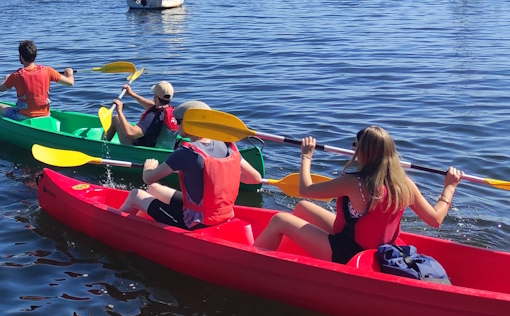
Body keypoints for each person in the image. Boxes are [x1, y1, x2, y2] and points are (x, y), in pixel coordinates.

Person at [253, 125, 463, 263]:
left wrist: (306, 156)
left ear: (363, 152)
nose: (353, 149)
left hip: (349, 253)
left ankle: (252, 260)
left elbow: (305, 189)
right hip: (379, 249)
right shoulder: (405, 184)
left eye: (356, 145)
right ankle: (288, 257)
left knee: (280, 220)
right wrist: (450, 187)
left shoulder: (353, 183)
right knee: (302, 208)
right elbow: (435, 219)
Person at [119, 101, 263, 229]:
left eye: (179, 121)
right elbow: (255, 178)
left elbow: (149, 179)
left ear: (190, 123)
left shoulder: (186, 152)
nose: (176, 125)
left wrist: (149, 168)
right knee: (154, 189)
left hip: (194, 221)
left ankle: (117, 227)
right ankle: (144, 224)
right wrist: (218, 176)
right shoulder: (229, 146)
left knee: (135, 194)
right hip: (223, 214)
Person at [0, 40, 73, 119]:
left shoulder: (16, 75)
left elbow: (1, 89)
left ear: (21, 57)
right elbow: (70, 82)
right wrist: (69, 73)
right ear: (35, 55)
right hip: (45, 115)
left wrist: (6, 79)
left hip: (23, 117)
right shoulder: (48, 71)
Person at [106, 80, 178, 148]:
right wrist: (132, 94)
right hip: (158, 148)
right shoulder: (173, 112)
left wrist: (119, 111)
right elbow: (152, 106)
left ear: (155, 96)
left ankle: (103, 144)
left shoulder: (152, 117)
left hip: (138, 149)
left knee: (116, 118)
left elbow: (130, 133)